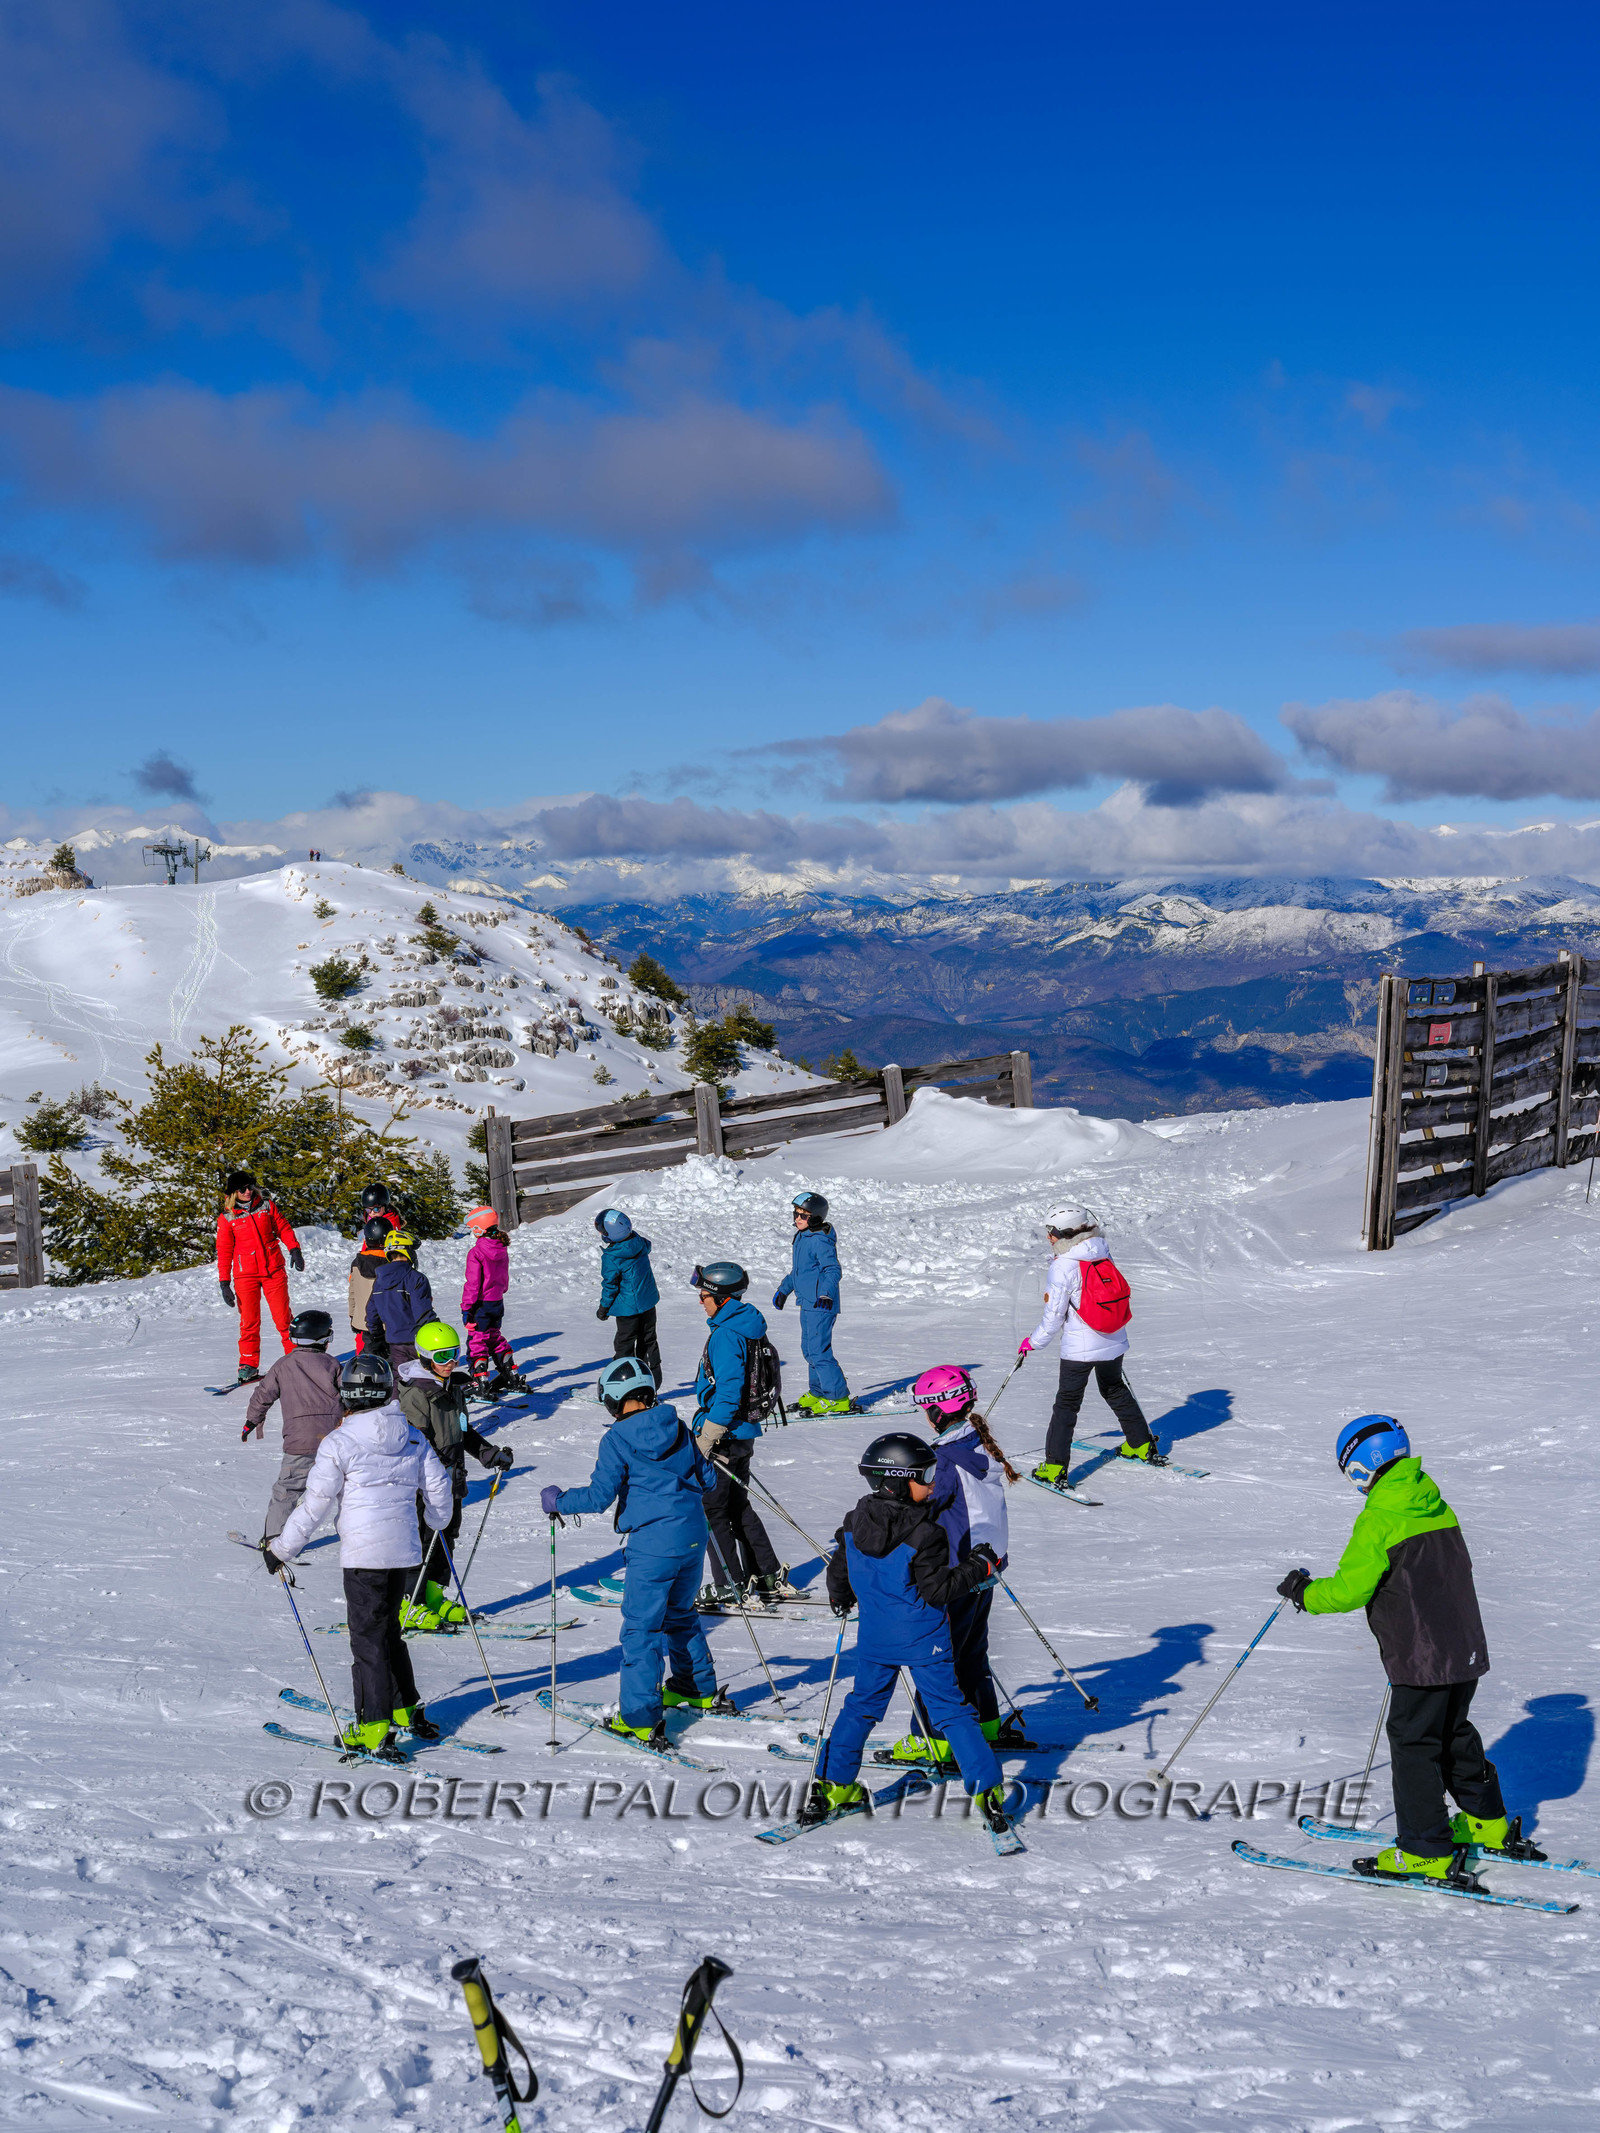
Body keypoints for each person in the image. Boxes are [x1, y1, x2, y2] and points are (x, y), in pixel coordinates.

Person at [1278, 1416, 1511, 1883]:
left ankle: (1425, 1849)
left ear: (1364, 1466)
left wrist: (1304, 1592)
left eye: (1351, 1472)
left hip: (1422, 1656)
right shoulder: (1433, 1501)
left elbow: (1348, 1591)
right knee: (1452, 1731)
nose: (1354, 1484)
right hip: (1463, 1647)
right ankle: (1488, 1823)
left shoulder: (1380, 1517)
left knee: (1414, 1744)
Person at [802, 1431, 1013, 1835]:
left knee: (861, 1706)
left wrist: (840, 1596)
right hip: (924, 1640)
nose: (933, 1483)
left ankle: (833, 1785)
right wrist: (979, 1565)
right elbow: (939, 1590)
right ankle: (987, 1790)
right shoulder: (926, 1534)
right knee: (951, 1711)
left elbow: (839, 1569)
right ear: (897, 1480)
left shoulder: (853, 1523)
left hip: (876, 1639)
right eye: (925, 1475)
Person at [265, 1353, 454, 1759]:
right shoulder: (412, 1436)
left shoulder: (340, 1442)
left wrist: (281, 1548)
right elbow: (439, 1489)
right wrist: (437, 1522)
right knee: (390, 1634)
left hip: (364, 1556)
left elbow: (315, 1505)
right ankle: (405, 1708)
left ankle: (373, 1726)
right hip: (403, 1553)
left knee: (368, 1640)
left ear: (346, 1394)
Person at [540, 1356, 726, 1748]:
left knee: (642, 1630)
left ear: (613, 1400)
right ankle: (695, 1688)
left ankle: (640, 1718)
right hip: (694, 1538)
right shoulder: (677, 1426)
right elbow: (707, 1479)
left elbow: (598, 1497)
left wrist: (559, 1501)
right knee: (680, 1614)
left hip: (653, 1546)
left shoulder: (617, 1439)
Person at [880, 1364, 1027, 1765]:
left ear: (937, 1412)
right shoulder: (977, 1445)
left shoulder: (944, 1461)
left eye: (924, 1408)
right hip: (985, 1568)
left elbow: (920, 1504)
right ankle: (985, 1726)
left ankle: (933, 1739)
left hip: (956, 1572)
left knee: (940, 1657)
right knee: (971, 1652)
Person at [1019, 1208, 1156, 1484]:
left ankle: (1055, 1468)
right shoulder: (1101, 1250)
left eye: (1052, 1232)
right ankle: (1141, 1444)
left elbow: (1054, 1316)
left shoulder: (1063, 1265)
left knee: (1067, 1404)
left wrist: (1032, 1343)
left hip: (1079, 1348)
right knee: (1114, 1388)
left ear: (1063, 1233)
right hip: (1113, 1337)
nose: (1048, 1237)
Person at [689, 1261, 796, 1605]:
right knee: (737, 1507)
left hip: (724, 1434)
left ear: (720, 1298)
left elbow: (729, 1391)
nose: (700, 1300)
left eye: (704, 1295)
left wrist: (708, 1435)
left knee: (713, 1511)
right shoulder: (748, 1323)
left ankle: (730, 1584)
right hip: (745, 1432)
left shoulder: (726, 1335)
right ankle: (765, 1574)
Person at [394, 1322, 514, 1629]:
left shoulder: (452, 1388)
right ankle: (408, 1602)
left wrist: (488, 1453)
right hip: (424, 1487)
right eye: (442, 1355)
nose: (451, 1362)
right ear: (424, 1357)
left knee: (447, 1539)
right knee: (421, 1543)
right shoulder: (415, 1396)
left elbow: (462, 1431)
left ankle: (432, 1596)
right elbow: (412, 1446)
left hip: (452, 1482)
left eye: (455, 1354)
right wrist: (431, 1476)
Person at [244, 1308, 343, 1546]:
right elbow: (350, 1396)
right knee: (345, 1489)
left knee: (287, 1490)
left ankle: (273, 1539)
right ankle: (353, 1533)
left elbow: (262, 1395)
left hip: (299, 1442)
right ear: (324, 1339)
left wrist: (251, 1422)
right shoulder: (332, 1364)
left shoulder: (283, 1365)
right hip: (335, 1441)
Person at [217, 1169, 305, 1384]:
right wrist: (224, 1282)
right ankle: (248, 1365)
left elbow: (283, 1227)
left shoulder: (266, 1206)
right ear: (233, 1193)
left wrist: (294, 1249)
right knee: (249, 1322)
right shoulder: (227, 1218)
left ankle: (295, 1359)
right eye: (242, 1189)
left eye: (250, 1187)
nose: (248, 1191)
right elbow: (225, 1250)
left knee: (283, 1318)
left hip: (273, 1271)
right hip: (245, 1276)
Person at [773, 1190, 851, 1414]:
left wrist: (826, 1293)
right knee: (808, 1349)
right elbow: (799, 1272)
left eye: (803, 1215)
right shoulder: (802, 1237)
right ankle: (818, 1391)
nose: (797, 1218)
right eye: (796, 1214)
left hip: (821, 1304)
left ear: (815, 1218)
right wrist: (783, 1290)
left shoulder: (820, 1240)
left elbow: (832, 1269)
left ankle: (838, 1397)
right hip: (807, 1302)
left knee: (819, 1351)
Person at [595, 1208, 662, 1387]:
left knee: (624, 1344)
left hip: (627, 1309)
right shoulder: (638, 1242)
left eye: (603, 1230)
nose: (601, 1233)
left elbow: (610, 1286)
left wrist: (604, 1308)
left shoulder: (612, 1256)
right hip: (648, 1303)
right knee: (648, 1341)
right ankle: (652, 1382)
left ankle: (624, 1383)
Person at [461, 1205, 524, 1393]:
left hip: (480, 1305)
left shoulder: (477, 1252)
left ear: (479, 1228)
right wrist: (499, 1292)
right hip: (497, 1302)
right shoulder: (500, 1248)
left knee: (477, 1341)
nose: (473, 1232)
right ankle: (510, 1375)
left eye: (473, 1228)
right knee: (495, 1338)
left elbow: (473, 1284)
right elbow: (503, 1279)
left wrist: (467, 1308)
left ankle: (479, 1382)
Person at [365, 1230, 436, 1366]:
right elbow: (422, 1312)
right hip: (417, 1341)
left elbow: (372, 1313)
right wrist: (434, 1331)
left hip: (394, 1342)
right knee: (424, 1377)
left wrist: (377, 1336)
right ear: (408, 1252)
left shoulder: (379, 1281)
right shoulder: (415, 1278)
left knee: (401, 1377)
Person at [348, 1216, 393, 1356]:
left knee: (369, 1354)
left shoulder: (357, 1262)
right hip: (389, 1323)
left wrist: (353, 1316)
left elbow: (353, 1293)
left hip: (364, 1321)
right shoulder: (392, 1263)